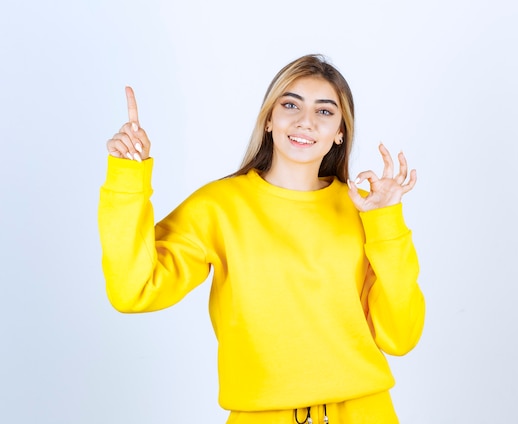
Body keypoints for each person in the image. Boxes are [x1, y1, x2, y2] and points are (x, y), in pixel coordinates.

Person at [98, 54, 426, 424]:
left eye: (324, 112)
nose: (305, 121)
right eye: (290, 105)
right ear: (269, 119)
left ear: (340, 132)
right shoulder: (219, 206)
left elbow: (400, 336)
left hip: (366, 412)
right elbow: (133, 290)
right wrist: (128, 177)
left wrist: (386, 223)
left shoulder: (362, 209)